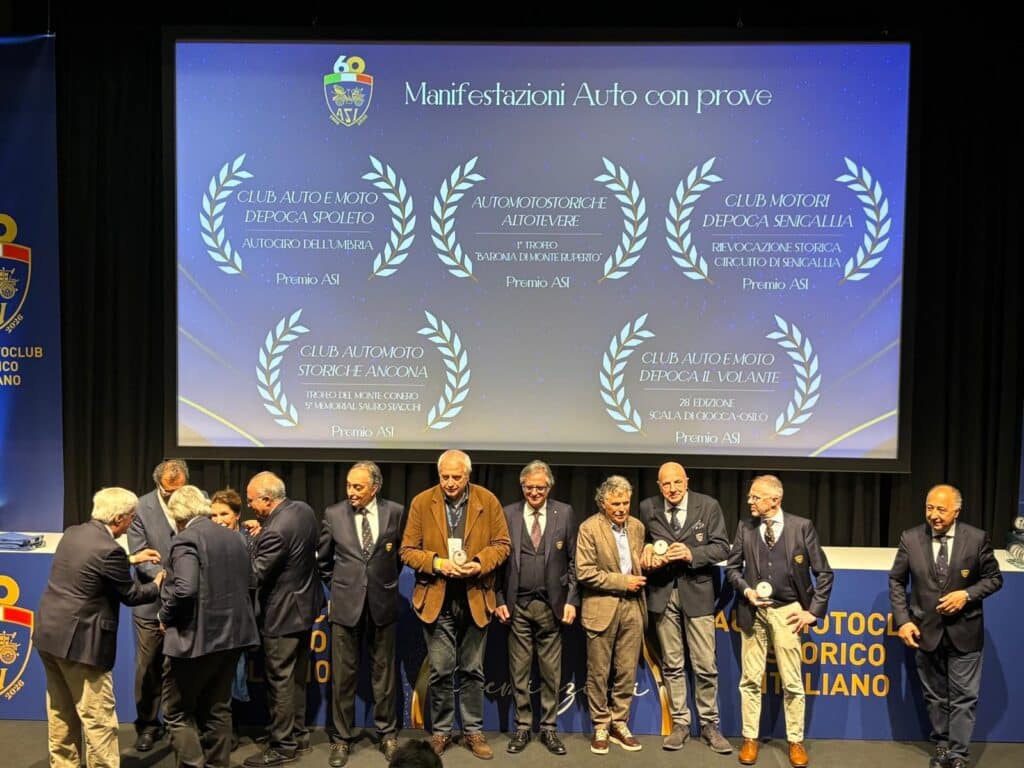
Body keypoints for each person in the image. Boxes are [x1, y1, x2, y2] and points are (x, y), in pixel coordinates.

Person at [34, 487, 164, 768]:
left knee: (60, 711)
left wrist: (131, 559)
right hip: (81, 644)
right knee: (98, 718)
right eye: (131, 517)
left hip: (49, 634)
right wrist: (157, 583)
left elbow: (91, 561)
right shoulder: (110, 550)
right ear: (119, 518)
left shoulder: (73, 533)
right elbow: (131, 595)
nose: (132, 523)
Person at [400, 449, 511, 759]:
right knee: (440, 670)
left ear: (468, 475)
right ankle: (442, 732)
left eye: (456, 477)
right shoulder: (422, 502)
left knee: (473, 669)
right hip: (436, 599)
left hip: (476, 597)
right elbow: (407, 550)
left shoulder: (487, 501)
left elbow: (502, 545)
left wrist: (479, 564)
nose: (450, 483)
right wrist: (437, 563)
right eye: (445, 476)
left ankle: (473, 731)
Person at [888, 484, 1003, 768]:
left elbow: (994, 579)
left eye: (941, 509)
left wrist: (966, 595)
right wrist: (903, 621)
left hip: (966, 632)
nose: (934, 515)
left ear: (956, 511)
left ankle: (958, 754)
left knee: (964, 696)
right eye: (930, 508)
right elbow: (896, 581)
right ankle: (942, 746)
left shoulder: (976, 539)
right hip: (925, 632)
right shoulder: (910, 538)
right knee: (935, 696)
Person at [725, 475, 833, 768]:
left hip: (788, 611)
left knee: (792, 681)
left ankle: (795, 741)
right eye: (750, 496)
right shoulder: (745, 527)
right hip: (753, 611)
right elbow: (732, 568)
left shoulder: (801, 527)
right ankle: (750, 738)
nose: (749, 501)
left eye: (755, 497)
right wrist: (746, 591)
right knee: (750, 679)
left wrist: (813, 612)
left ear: (775, 500)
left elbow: (824, 573)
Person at [159, 485, 260, 768]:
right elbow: (251, 581)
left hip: (194, 640)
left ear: (178, 514)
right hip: (233, 637)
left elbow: (185, 589)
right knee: (218, 709)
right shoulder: (235, 538)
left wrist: (164, 616)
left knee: (176, 713)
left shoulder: (185, 540)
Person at [636, 462, 731, 752]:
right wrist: (647, 549)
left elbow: (722, 547)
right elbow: (641, 543)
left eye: (677, 482)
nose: (672, 489)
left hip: (698, 592)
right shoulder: (647, 507)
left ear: (687, 481)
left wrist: (692, 553)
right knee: (672, 663)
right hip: (662, 593)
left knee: (705, 663)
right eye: (666, 484)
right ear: (659, 486)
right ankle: (680, 723)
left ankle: (709, 724)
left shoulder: (708, 506)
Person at [318, 461, 405, 766]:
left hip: (383, 604)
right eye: (348, 485)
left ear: (375, 488)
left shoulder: (396, 512)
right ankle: (342, 739)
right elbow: (324, 562)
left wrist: (380, 584)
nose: (351, 492)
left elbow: (399, 558)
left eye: (358, 486)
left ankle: (387, 734)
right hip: (346, 607)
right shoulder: (333, 514)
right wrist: (344, 587)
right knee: (343, 677)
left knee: (385, 676)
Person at [495, 460, 578, 756]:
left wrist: (571, 600)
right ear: (522, 487)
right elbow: (498, 562)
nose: (534, 492)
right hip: (517, 606)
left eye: (540, 488)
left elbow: (574, 561)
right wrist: (499, 599)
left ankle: (549, 728)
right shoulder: (508, 514)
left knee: (551, 672)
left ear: (549, 487)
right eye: (529, 487)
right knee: (518, 670)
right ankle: (522, 726)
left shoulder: (564, 513)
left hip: (551, 606)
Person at [244, 471, 324, 768]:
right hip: (305, 608)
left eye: (252, 501)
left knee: (280, 681)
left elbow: (255, 575)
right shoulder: (303, 510)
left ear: (267, 499)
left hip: (281, 615)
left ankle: (282, 745)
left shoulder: (275, 531)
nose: (249, 505)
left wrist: (249, 542)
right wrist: (264, 529)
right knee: (296, 678)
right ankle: (298, 735)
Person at [576, 475, 647, 755]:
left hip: (633, 607)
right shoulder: (589, 528)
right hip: (601, 608)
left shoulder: (638, 527)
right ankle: (601, 725)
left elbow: (640, 561)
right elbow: (584, 572)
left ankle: (619, 722)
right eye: (615, 503)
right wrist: (622, 582)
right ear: (603, 503)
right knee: (599, 672)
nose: (621, 508)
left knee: (627, 670)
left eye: (625, 503)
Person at [127, 458, 189, 752]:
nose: (174, 497)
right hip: (152, 604)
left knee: (182, 668)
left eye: (179, 490)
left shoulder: (197, 499)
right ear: (158, 486)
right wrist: (168, 579)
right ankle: (148, 725)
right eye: (168, 492)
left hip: (186, 602)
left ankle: (180, 725)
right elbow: (140, 555)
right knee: (148, 667)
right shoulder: (141, 507)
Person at [210, 487, 254, 751]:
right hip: (213, 620)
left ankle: (233, 729)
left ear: (237, 515)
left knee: (235, 674)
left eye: (224, 514)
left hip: (239, 619)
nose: (219, 520)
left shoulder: (250, 538)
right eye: (213, 515)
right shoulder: (206, 539)